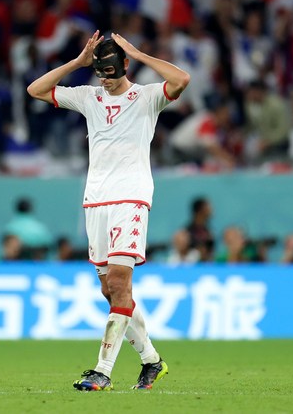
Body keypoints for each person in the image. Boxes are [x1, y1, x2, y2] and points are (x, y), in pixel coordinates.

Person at [27, 31, 190, 391]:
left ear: (125, 65)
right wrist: (77, 63)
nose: (107, 79)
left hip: (130, 197)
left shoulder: (147, 97)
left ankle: (102, 371)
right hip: (95, 199)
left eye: (112, 71)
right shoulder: (89, 97)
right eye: (101, 72)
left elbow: (181, 80)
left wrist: (139, 52)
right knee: (111, 292)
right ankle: (152, 360)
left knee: (119, 282)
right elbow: (35, 90)